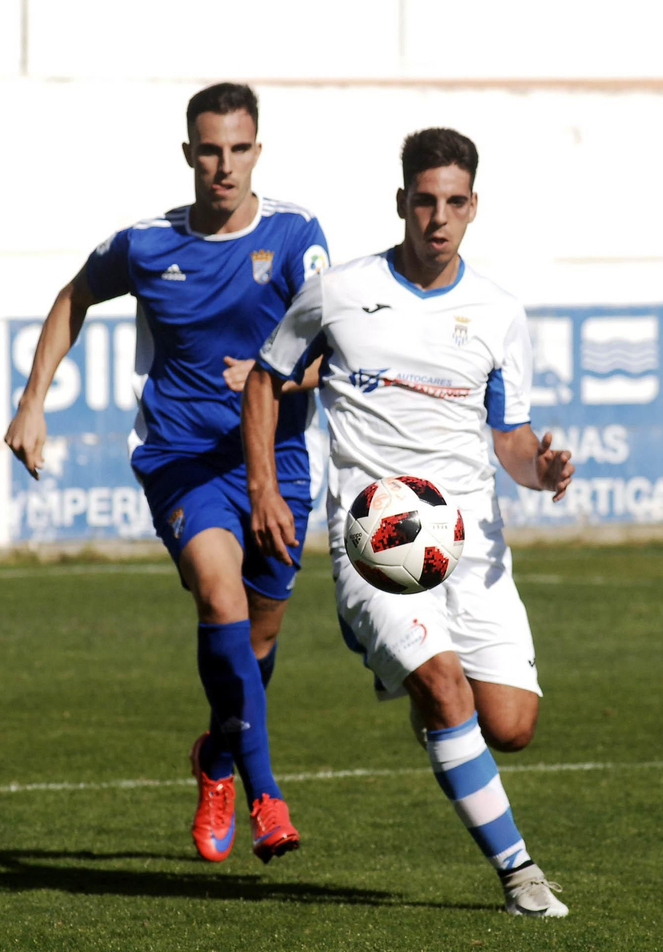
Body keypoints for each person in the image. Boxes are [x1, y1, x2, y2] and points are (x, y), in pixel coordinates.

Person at [243, 127, 575, 916]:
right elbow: (265, 378)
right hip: (376, 541)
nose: (438, 217)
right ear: (402, 202)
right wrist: (263, 482)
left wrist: (543, 470)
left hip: (472, 543)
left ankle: (440, 714)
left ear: (473, 207)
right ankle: (521, 873)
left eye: (454, 202)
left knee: (513, 724)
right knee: (444, 682)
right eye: (424, 201)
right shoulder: (338, 292)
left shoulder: (498, 311)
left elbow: (512, 439)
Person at [4, 83, 329, 864]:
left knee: (258, 638)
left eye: (239, 150)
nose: (225, 166)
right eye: (210, 150)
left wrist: (276, 376)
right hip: (181, 457)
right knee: (217, 592)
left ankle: (216, 755)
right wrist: (32, 401)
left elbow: (328, 346)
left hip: (276, 458)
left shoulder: (295, 236)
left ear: (258, 152)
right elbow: (73, 296)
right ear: (189, 154)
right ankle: (262, 794)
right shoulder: (146, 245)